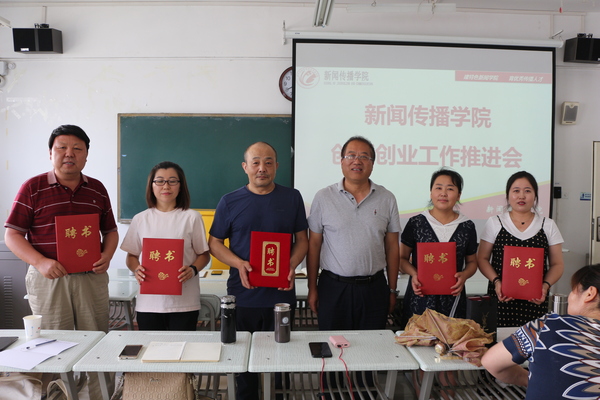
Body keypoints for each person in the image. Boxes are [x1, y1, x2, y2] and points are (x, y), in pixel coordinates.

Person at [208, 142, 308, 400]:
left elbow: (302, 240)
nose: (262, 168)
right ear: (245, 167)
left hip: (281, 297)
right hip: (243, 295)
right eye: (255, 162)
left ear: (276, 166)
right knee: (244, 365)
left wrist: (291, 264)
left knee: (281, 361)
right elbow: (214, 243)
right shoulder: (229, 201)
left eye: (268, 162)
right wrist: (239, 263)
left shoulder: (292, 198)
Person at [4, 124, 118, 332]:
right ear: (50, 153)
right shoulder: (32, 187)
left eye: (77, 148)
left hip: (90, 276)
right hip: (49, 277)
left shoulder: (97, 189)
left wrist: (107, 255)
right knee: (53, 338)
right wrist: (40, 262)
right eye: (62, 147)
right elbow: (12, 234)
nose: (69, 153)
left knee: (95, 335)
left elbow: (110, 231)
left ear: (86, 155)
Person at [307, 135, 401, 330]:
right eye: (351, 155)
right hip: (333, 288)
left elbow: (392, 247)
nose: (357, 161)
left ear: (372, 164)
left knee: (372, 345)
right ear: (341, 161)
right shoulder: (323, 197)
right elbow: (314, 245)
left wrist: (392, 290)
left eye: (364, 156)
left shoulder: (387, 198)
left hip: (374, 288)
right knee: (333, 344)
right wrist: (312, 288)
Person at [482, 264, 600, 399]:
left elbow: (490, 361)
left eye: (573, 290)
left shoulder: (548, 325)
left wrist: (529, 379)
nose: (570, 296)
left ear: (590, 293)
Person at [120, 161, 210, 331]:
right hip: (149, 303)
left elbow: (204, 255)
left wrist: (193, 269)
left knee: (182, 346)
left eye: (172, 181)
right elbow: (131, 256)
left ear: (180, 186)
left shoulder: (192, 217)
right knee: (150, 346)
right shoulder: (140, 218)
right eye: (160, 181)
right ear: (151, 185)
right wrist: (136, 269)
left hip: (184, 303)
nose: (166, 186)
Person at [477, 171, 564, 327]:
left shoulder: (548, 225)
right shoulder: (495, 222)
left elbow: (557, 264)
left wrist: (545, 286)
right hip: (501, 298)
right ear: (508, 195)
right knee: (498, 339)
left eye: (527, 191)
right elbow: (482, 259)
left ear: (535, 195)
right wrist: (496, 282)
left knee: (533, 340)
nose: (521, 196)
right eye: (516, 191)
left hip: (535, 301)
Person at [400, 168, 478, 323]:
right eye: (438, 188)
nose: (443, 193)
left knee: (451, 338)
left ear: (459, 195)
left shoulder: (467, 226)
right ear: (431, 193)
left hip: (453, 299)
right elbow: (401, 259)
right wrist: (414, 274)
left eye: (450, 189)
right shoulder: (416, 223)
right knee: (418, 337)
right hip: (420, 297)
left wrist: (464, 275)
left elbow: (472, 262)